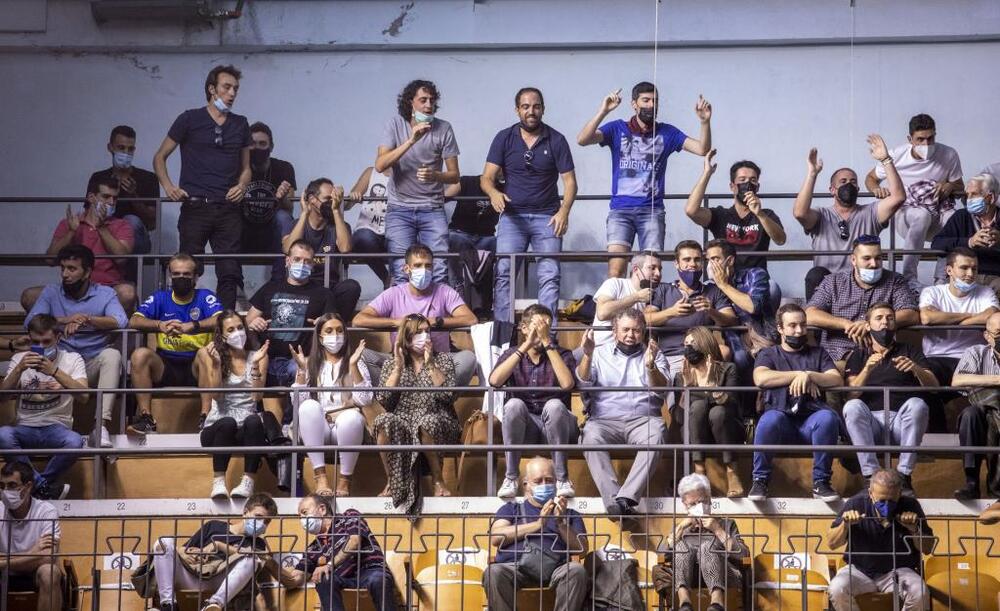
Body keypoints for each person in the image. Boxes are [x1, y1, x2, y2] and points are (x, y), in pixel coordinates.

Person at [577, 82, 712, 277]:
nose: (650, 105)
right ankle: (618, 308)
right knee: (616, 270)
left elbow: (702, 149)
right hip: (620, 211)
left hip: (652, 211)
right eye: (646, 100)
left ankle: (650, 308)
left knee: (651, 270)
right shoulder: (617, 129)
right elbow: (582, 139)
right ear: (634, 104)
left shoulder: (667, 132)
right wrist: (603, 111)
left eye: (655, 101)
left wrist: (704, 122)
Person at [153, 64, 252, 310]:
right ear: (212, 89)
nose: (232, 93)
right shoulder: (189, 118)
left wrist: (242, 185)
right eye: (226, 87)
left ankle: (224, 321)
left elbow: (247, 168)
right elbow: (159, 157)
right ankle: (183, 318)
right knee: (187, 268)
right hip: (195, 206)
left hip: (228, 208)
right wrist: (168, 186)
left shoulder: (240, 123)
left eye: (235, 89)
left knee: (229, 269)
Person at [482, 87, 578, 322]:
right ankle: (502, 334)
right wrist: (494, 193)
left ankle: (547, 336)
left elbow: (570, 182)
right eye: (525, 107)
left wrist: (564, 211)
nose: (531, 111)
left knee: (550, 275)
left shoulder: (556, 139)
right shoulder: (504, 137)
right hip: (512, 219)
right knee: (503, 273)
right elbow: (486, 178)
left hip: (547, 218)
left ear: (543, 109)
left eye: (536, 106)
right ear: (517, 110)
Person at [25, 245, 128, 448]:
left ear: (87, 272)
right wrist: (65, 320)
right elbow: (30, 322)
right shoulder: (51, 292)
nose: (65, 274)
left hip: (91, 364)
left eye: (72, 269)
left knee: (112, 355)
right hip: (62, 364)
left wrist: (87, 319)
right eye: (63, 268)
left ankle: (101, 427)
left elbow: (121, 321)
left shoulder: (105, 293)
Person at [577, 310, 669, 520]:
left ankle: (625, 499)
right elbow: (583, 382)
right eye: (626, 329)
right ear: (614, 331)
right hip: (604, 421)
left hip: (643, 421)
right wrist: (588, 355)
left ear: (643, 331)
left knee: (657, 432)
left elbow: (661, 391)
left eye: (636, 330)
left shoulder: (653, 353)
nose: (631, 335)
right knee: (589, 435)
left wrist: (651, 366)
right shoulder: (598, 353)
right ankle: (614, 501)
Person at [749, 304, 844, 502]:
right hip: (781, 424)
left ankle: (821, 483)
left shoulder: (818, 353)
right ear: (780, 329)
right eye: (792, 325)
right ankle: (760, 481)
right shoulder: (769, 354)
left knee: (828, 417)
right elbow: (761, 379)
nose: (799, 330)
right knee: (769, 419)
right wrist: (797, 375)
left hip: (811, 424)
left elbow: (836, 379)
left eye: (802, 325)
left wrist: (810, 375)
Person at [792, 135, 905, 299]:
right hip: (828, 286)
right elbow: (800, 213)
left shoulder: (870, 213)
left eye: (853, 182)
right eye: (843, 181)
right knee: (815, 274)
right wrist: (812, 174)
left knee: (890, 278)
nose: (848, 185)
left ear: (858, 188)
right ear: (832, 189)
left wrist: (886, 160)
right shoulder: (822, 215)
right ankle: (814, 318)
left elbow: (898, 198)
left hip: (862, 281)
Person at [843, 303, 936, 495]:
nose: (885, 322)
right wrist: (867, 369)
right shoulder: (859, 353)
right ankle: (871, 477)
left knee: (918, 404)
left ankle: (903, 476)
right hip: (872, 424)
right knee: (852, 406)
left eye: (889, 318)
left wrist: (915, 369)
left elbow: (934, 387)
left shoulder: (909, 350)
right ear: (867, 325)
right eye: (879, 318)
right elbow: (851, 393)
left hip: (902, 423)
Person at [352, 244, 478, 385]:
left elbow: (471, 319)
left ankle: (438, 397)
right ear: (407, 269)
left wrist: (435, 321)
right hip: (401, 360)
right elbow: (359, 320)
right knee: (362, 356)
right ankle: (392, 398)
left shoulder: (444, 291)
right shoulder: (394, 293)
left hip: (438, 361)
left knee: (469, 358)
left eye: (428, 265)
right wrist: (397, 322)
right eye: (418, 265)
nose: (423, 270)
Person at [375, 79, 460, 285]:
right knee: (400, 269)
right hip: (399, 209)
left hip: (432, 208)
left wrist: (436, 176)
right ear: (410, 103)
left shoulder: (444, 128)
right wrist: (411, 140)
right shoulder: (395, 124)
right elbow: (380, 165)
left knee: (439, 267)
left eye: (432, 100)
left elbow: (455, 175)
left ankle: (435, 315)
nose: (428, 105)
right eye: (423, 100)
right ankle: (404, 316)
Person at [373, 314, 460, 514]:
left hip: (439, 420)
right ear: (407, 336)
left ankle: (439, 481)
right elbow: (385, 400)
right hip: (403, 422)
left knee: (426, 421)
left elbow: (449, 394)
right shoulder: (392, 364)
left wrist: (430, 365)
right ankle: (392, 482)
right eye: (418, 332)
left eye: (427, 331)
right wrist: (397, 369)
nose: (424, 336)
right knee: (383, 420)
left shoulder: (444, 360)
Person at [128, 253, 222, 436]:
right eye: (176, 274)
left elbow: (221, 319)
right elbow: (134, 321)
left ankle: (207, 418)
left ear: (195, 277)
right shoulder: (160, 298)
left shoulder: (205, 297)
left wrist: (193, 326)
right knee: (139, 355)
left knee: (206, 353)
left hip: (197, 366)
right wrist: (159, 325)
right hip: (166, 364)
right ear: (170, 275)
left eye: (186, 274)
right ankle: (146, 419)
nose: (181, 278)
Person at [490, 305, 578, 500]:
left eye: (546, 326)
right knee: (513, 405)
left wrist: (547, 342)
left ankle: (562, 479)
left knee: (554, 405)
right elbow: (495, 381)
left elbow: (567, 384)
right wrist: (525, 346)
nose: (541, 331)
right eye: (536, 326)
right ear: (523, 328)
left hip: (557, 427)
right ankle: (511, 477)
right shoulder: (512, 353)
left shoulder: (563, 354)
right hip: (526, 428)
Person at [149, 492, 293, 611]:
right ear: (245, 513)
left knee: (252, 559)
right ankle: (168, 605)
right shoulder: (214, 526)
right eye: (259, 517)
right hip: (193, 574)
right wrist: (185, 552)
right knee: (163, 543)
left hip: (221, 582)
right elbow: (184, 549)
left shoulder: (259, 543)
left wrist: (218, 545)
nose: (262, 524)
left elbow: (257, 560)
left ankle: (213, 605)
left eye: (267, 522)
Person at [865, 114, 964, 284]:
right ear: (910, 139)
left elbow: (960, 185)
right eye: (920, 139)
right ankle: (909, 279)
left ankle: (942, 279)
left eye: (930, 138)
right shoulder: (896, 155)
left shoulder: (948, 154)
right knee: (921, 215)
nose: (926, 144)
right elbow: (870, 178)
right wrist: (876, 189)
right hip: (908, 216)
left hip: (939, 213)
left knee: (954, 218)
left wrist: (950, 186)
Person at [0, 314, 88, 500]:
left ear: (58, 337)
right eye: (36, 342)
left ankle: (37, 486)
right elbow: (2, 398)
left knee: (75, 442)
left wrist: (54, 372)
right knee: (3, 435)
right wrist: (18, 369)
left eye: (46, 341)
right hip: (25, 427)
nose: (41, 347)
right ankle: (43, 487)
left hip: (57, 427)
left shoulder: (72, 359)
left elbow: (84, 396)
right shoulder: (19, 359)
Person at [484, 456, 588, 611]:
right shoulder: (511, 509)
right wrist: (538, 524)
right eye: (538, 481)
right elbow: (496, 537)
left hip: (556, 569)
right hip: (516, 568)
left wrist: (560, 523)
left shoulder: (569, 514)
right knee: (493, 572)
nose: (544, 485)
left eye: (549, 480)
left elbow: (582, 549)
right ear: (526, 485)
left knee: (576, 571)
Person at [247, 240, 348, 391]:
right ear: (287, 261)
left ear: (313, 265)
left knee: (301, 371)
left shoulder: (323, 294)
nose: (302, 264)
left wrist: (323, 323)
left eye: (307, 261)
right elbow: (249, 318)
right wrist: (254, 322)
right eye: (297, 259)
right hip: (267, 358)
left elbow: (334, 325)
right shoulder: (270, 287)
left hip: (301, 360)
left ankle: (292, 414)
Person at [827, 469, 933, 611]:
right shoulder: (856, 503)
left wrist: (914, 529)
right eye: (882, 500)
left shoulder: (911, 505)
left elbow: (927, 548)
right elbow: (832, 543)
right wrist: (845, 525)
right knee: (836, 588)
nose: (887, 506)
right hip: (860, 571)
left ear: (899, 493)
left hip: (898, 571)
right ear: (870, 493)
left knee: (920, 592)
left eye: (892, 500)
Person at [290, 314, 371, 497]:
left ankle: (344, 481)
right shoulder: (310, 363)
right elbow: (299, 406)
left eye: (339, 330)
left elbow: (365, 400)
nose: (335, 335)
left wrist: (353, 366)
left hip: (348, 429)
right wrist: (302, 372)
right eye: (329, 331)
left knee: (352, 417)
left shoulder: (356, 362)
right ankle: (321, 478)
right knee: (309, 407)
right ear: (320, 337)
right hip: (319, 431)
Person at [27, 175, 136, 311]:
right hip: (71, 287)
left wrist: (101, 228)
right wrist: (71, 233)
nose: (111, 202)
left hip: (106, 289)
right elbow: (50, 259)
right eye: (106, 197)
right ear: (91, 198)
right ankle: (60, 328)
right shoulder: (69, 223)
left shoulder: (122, 225)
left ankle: (101, 329)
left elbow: (121, 259)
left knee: (127, 292)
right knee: (29, 296)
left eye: (115, 198)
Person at [806, 236, 919, 363]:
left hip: (878, 356)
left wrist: (870, 324)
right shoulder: (833, 282)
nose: (874, 264)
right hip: (837, 356)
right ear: (853, 260)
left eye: (878, 258)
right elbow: (810, 314)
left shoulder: (895, 281)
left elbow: (911, 314)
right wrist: (846, 324)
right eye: (867, 258)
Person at [194, 310, 269, 499]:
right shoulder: (216, 356)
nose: (237, 333)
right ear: (222, 335)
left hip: (245, 429)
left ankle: (247, 482)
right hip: (217, 428)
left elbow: (257, 396)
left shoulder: (258, 355)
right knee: (227, 422)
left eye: (240, 327)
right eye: (231, 329)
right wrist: (217, 366)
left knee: (254, 421)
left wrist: (255, 366)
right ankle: (219, 482)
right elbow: (216, 396)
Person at [290, 494, 398, 611]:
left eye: (304, 512)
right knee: (323, 579)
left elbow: (355, 541)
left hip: (370, 570)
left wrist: (330, 565)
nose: (302, 519)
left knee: (378, 579)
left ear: (322, 509)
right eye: (299, 517)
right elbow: (297, 577)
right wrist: (273, 567)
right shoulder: (313, 548)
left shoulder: (348, 517)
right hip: (343, 578)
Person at [671, 327, 744, 497]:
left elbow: (733, 405)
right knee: (697, 407)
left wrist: (713, 387)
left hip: (726, 430)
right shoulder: (681, 376)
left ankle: (732, 472)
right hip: (696, 434)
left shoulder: (728, 369)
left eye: (693, 343)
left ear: (705, 343)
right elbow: (680, 418)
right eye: (686, 344)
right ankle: (699, 472)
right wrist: (686, 390)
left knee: (718, 412)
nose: (688, 348)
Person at [686, 151, 786, 274]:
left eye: (753, 180)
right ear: (732, 187)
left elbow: (781, 240)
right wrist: (707, 173)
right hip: (726, 277)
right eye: (742, 180)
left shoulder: (767, 215)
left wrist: (760, 214)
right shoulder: (721, 214)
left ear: (758, 187)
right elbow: (691, 211)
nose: (748, 184)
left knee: (773, 289)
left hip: (757, 280)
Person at [647, 240, 736, 374]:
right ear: (676, 263)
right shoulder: (663, 290)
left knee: (724, 351)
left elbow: (732, 320)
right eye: (687, 260)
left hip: (703, 356)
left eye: (697, 260)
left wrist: (711, 311)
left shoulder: (713, 290)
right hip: (671, 357)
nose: (692, 264)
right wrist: (672, 312)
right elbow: (646, 319)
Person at [705, 239, 778, 397]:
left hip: (761, 336)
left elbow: (753, 307)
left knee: (760, 357)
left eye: (715, 259)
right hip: (732, 340)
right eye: (708, 260)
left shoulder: (755, 275)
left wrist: (724, 285)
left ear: (730, 260)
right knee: (736, 358)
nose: (710, 265)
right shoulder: (709, 287)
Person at [664, 473, 748, 609]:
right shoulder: (681, 528)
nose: (699, 507)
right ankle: (684, 603)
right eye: (692, 504)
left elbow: (744, 555)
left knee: (706, 547)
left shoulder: (727, 524)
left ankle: (717, 603)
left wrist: (718, 530)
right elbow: (662, 554)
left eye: (702, 502)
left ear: (710, 501)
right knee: (681, 545)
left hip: (725, 576)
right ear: (685, 506)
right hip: (689, 577)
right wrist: (680, 528)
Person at [919, 247, 999, 386]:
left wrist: (948, 321)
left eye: (974, 269)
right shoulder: (932, 292)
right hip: (937, 357)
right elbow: (928, 318)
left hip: (974, 358)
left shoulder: (985, 291)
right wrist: (971, 316)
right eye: (964, 268)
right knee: (924, 381)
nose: (970, 273)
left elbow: (992, 315)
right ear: (949, 270)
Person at [88, 124, 159, 264]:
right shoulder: (98, 178)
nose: (126, 153)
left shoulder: (148, 178)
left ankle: (128, 276)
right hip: (104, 232)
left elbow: (153, 221)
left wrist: (134, 196)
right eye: (121, 148)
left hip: (136, 241)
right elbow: (88, 213)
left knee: (131, 220)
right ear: (110, 147)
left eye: (130, 149)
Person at [0, 462, 64, 611]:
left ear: (28, 487)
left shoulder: (47, 511)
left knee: (50, 572)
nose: (5, 491)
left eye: (12, 485)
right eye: (2, 486)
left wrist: (3, 562)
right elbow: (41, 555)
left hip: (34, 573)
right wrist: (32, 553)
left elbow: (49, 556)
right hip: (3, 574)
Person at [951, 312, 1000, 499]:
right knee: (969, 414)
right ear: (987, 336)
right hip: (982, 413)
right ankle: (971, 481)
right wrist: (997, 379)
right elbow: (957, 380)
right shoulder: (976, 352)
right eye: (999, 332)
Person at [243, 121, 296, 282]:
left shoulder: (284, 168)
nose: (257, 148)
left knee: (283, 218)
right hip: (244, 229)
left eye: (262, 144)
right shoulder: (237, 168)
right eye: (253, 144)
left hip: (271, 230)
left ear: (271, 146)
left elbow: (290, 209)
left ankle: (278, 282)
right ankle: (233, 283)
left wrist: (281, 198)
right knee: (226, 220)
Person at [930, 173, 1000, 293]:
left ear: (991, 197)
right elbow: (936, 244)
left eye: (974, 194)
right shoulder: (961, 216)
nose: (969, 200)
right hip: (965, 276)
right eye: (968, 195)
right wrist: (969, 242)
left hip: (996, 276)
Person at [279, 178, 355, 288]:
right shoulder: (294, 224)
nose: (332, 202)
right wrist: (305, 213)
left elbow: (345, 248)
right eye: (327, 198)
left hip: (329, 286)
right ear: (312, 199)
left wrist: (336, 210)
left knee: (351, 286)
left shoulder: (340, 225)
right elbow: (287, 249)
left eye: (333, 199)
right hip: (302, 284)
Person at [444, 173, 501, 302]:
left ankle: (493, 291)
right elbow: (443, 198)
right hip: (460, 233)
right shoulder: (467, 181)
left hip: (486, 236)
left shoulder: (504, 188)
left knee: (502, 246)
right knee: (453, 240)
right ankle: (457, 285)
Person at [591, 252, 661, 348]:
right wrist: (636, 297)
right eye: (652, 268)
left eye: (659, 269)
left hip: (633, 353)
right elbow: (602, 313)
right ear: (636, 269)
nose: (658, 273)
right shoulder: (614, 283)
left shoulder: (657, 295)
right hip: (601, 348)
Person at [345, 167, 390, 286]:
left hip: (394, 232)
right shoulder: (372, 172)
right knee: (363, 238)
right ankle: (387, 279)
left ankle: (394, 284)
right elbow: (347, 205)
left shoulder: (407, 174)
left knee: (405, 240)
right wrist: (352, 197)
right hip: (369, 231)